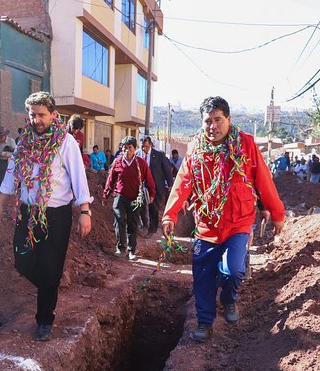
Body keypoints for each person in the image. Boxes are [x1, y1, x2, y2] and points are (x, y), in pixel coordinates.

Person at [161, 96, 285, 343]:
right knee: (203, 278)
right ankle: (205, 323)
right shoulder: (196, 148)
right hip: (207, 225)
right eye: (208, 120)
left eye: (218, 120)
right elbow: (183, 182)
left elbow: (264, 181)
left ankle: (229, 299)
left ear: (229, 120)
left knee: (234, 269)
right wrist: (170, 215)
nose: (213, 126)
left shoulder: (246, 145)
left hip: (238, 223)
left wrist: (277, 213)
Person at [0, 91, 92, 341]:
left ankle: (45, 319)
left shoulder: (66, 142)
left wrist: (84, 212)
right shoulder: (23, 142)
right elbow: (11, 173)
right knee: (21, 259)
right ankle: (50, 285)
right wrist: (0, 203)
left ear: (53, 115)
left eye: (41, 115)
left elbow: (79, 178)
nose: (36, 119)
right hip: (27, 213)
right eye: (32, 114)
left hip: (56, 216)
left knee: (50, 268)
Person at [103, 135, 155, 260]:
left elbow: (149, 180)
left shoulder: (141, 164)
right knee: (119, 219)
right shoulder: (117, 162)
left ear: (135, 149)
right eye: (124, 148)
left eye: (129, 147)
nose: (127, 150)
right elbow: (111, 180)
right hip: (120, 196)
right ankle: (121, 248)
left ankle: (132, 250)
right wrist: (106, 195)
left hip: (135, 198)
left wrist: (152, 194)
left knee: (132, 223)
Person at [140, 136, 173, 236]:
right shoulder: (138, 154)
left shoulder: (158, 155)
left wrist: (170, 184)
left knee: (153, 207)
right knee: (141, 206)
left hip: (156, 186)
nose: (144, 149)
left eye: (146, 146)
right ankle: (144, 224)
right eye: (142, 147)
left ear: (150, 144)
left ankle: (152, 229)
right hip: (142, 186)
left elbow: (167, 170)